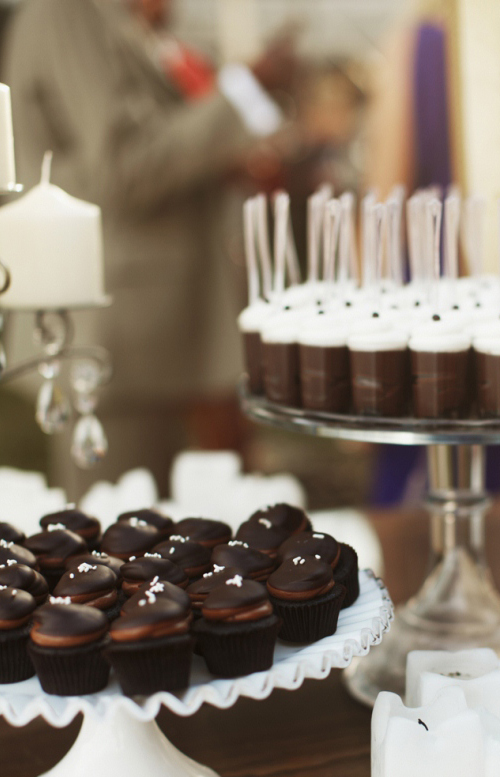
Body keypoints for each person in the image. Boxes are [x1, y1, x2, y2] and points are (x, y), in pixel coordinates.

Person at [2, 0, 298, 497]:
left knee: (166, 541)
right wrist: (244, 91)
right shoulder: (65, 13)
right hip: (117, 337)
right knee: (111, 534)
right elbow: (124, 167)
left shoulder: (126, 27)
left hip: (166, 329)